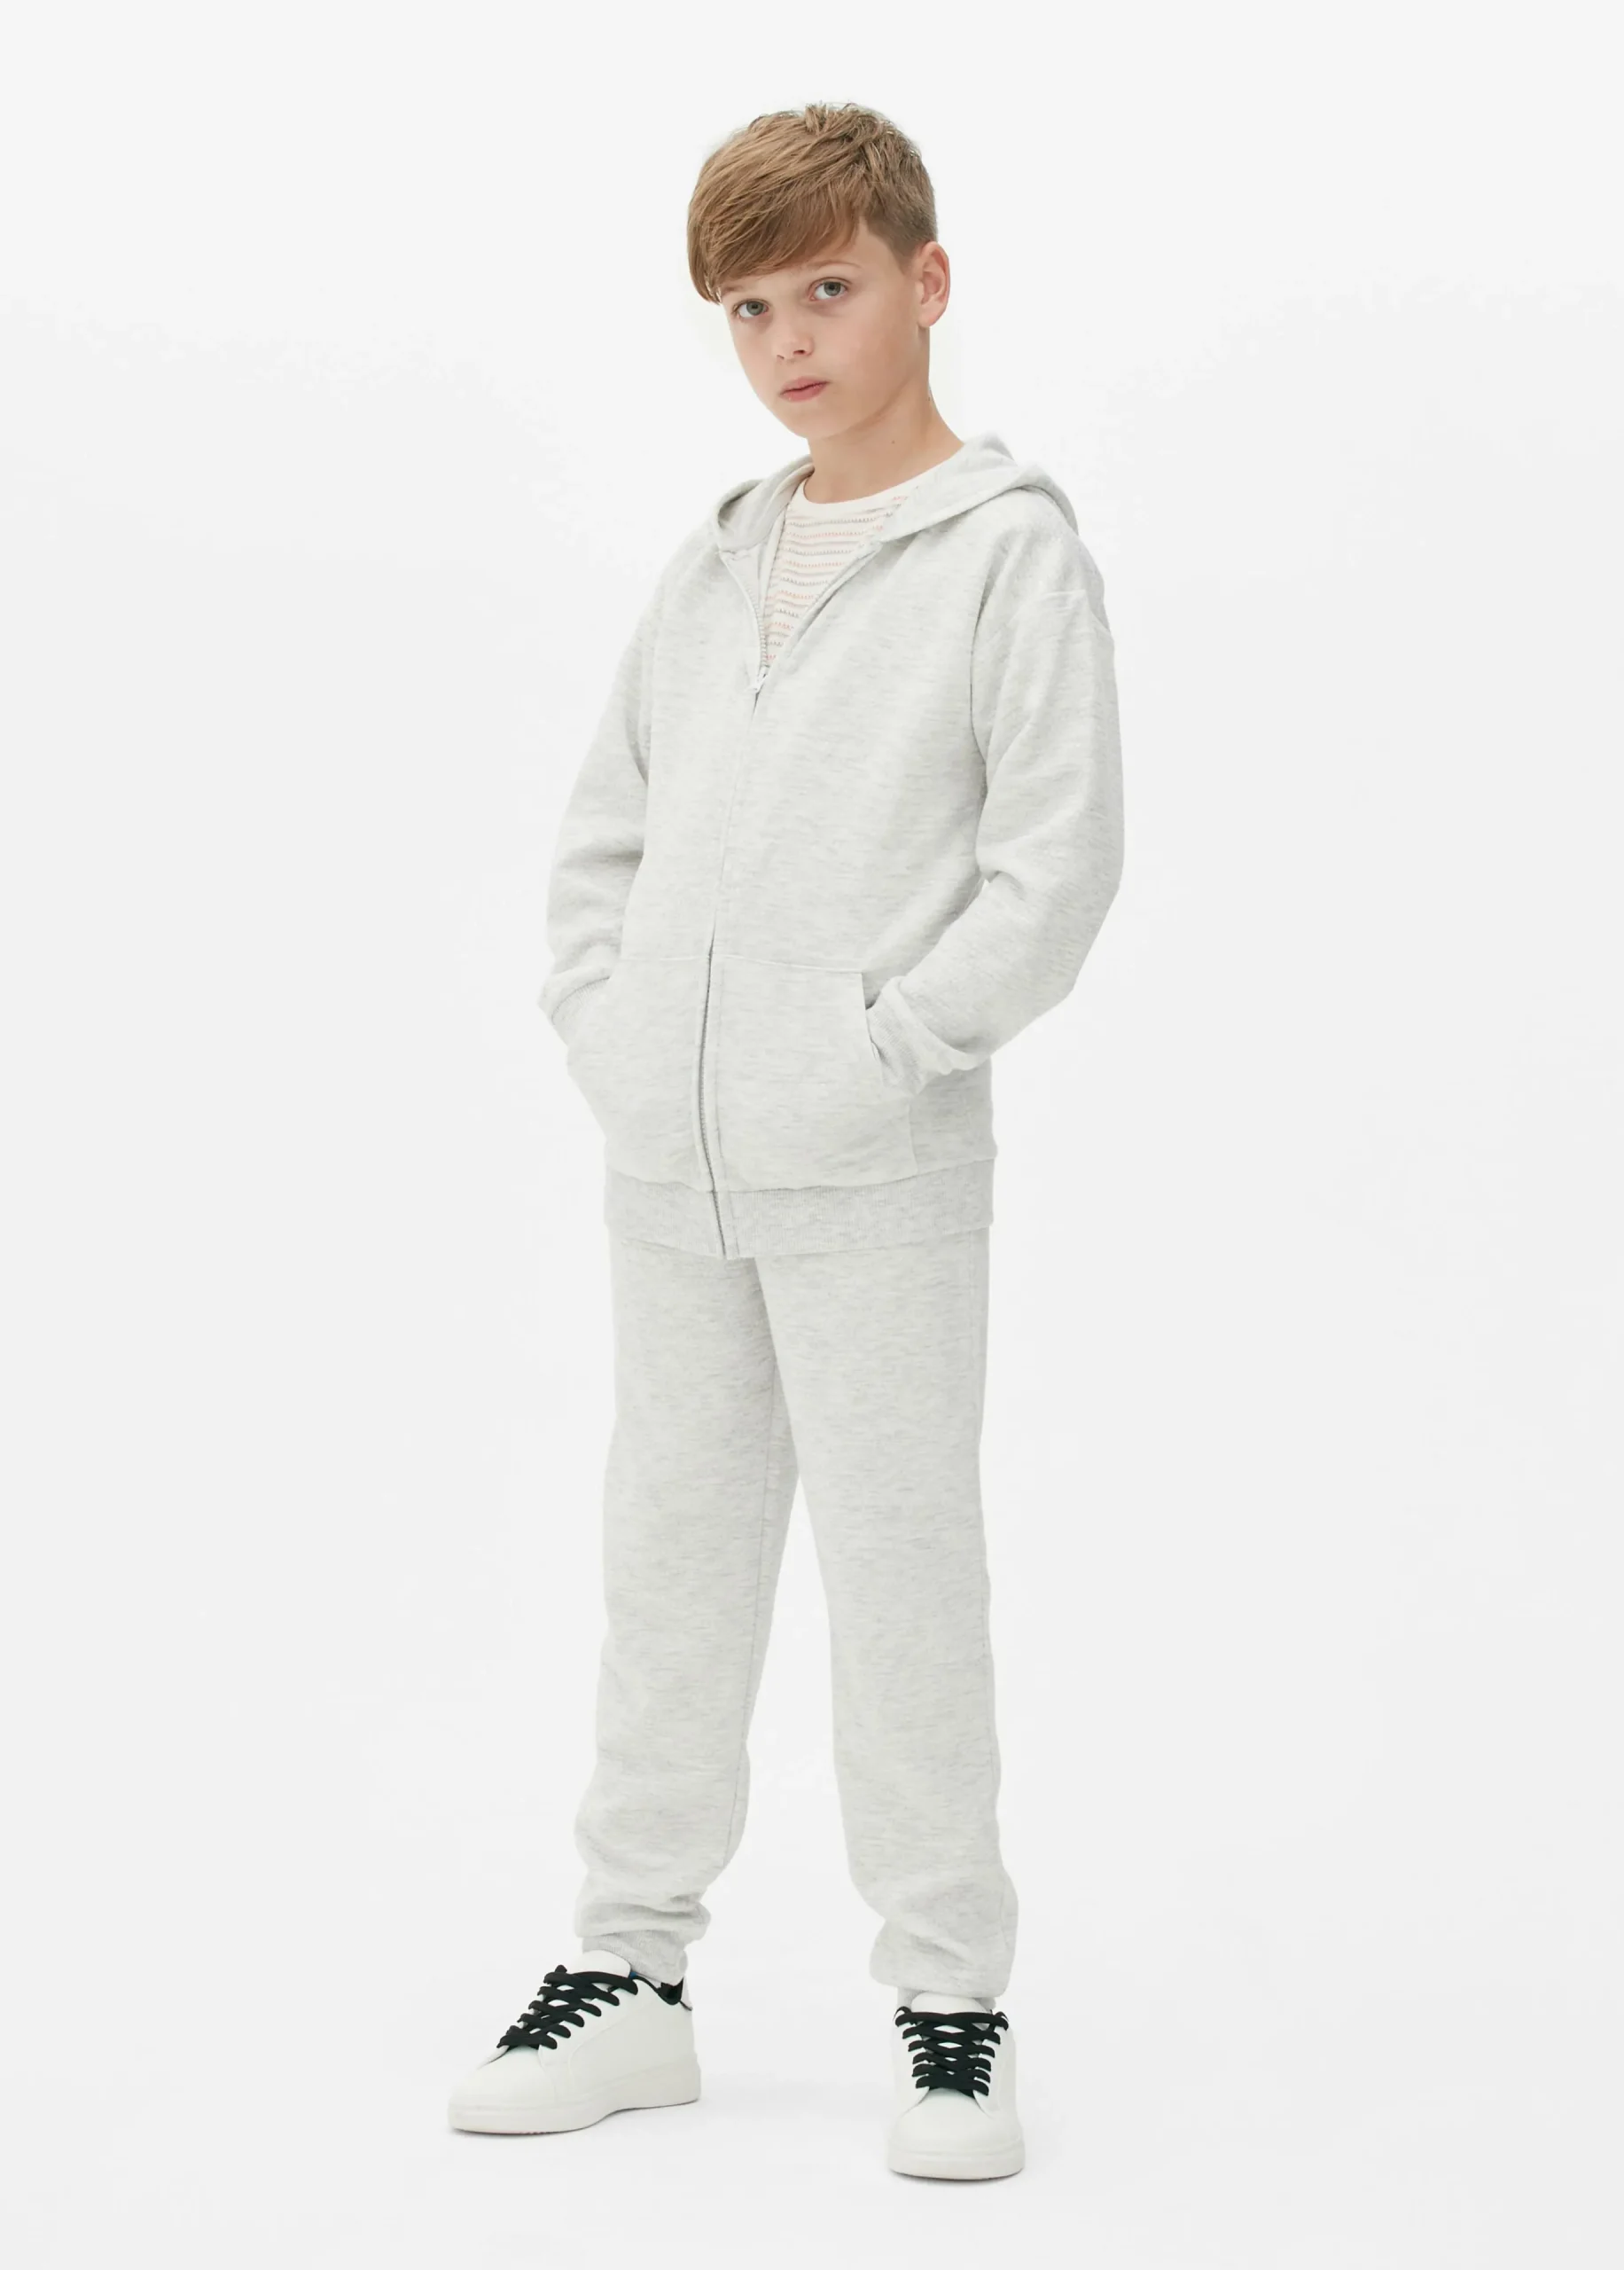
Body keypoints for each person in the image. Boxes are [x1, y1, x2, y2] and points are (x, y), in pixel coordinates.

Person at [448, 100, 1123, 2181]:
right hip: (672, 1170)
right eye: (748, 309)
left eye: (826, 288)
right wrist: (614, 1033)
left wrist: (884, 1048)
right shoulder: (715, 558)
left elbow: (1055, 869)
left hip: (876, 1171)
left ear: (926, 278)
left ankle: (951, 2001)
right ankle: (630, 1974)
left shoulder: (1006, 552)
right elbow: (604, 836)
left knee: (904, 1580)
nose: (789, 341)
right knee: (667, 1574)